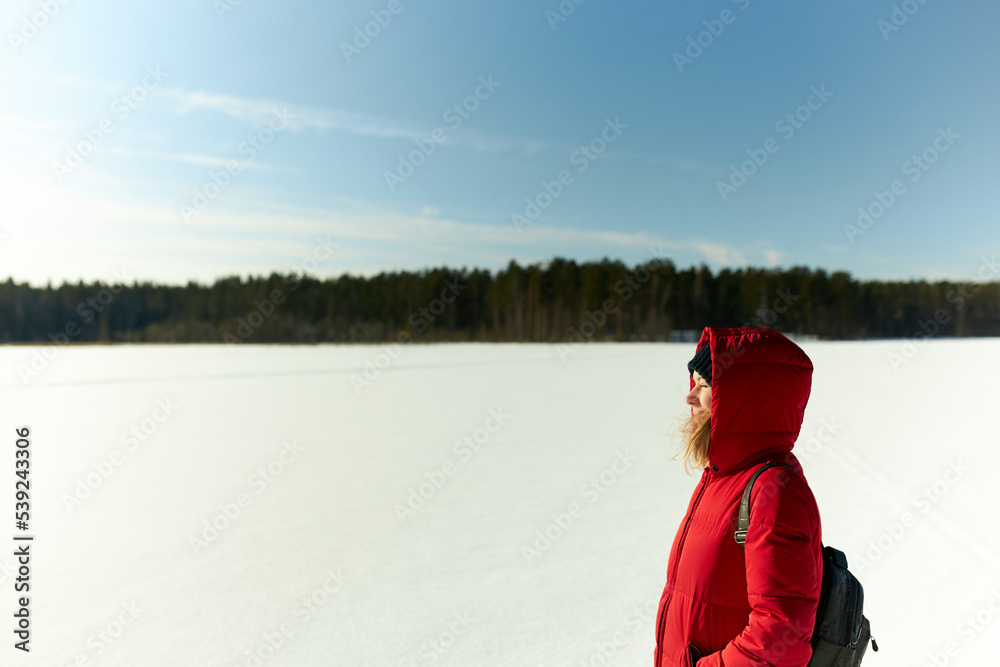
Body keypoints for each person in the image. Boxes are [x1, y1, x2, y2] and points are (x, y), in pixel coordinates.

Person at [654, 326, 823, 667]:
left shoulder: (773, 492)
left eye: (703, 386)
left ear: (739, 399)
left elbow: (780, 637)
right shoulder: (723, 477)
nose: (690, 397)